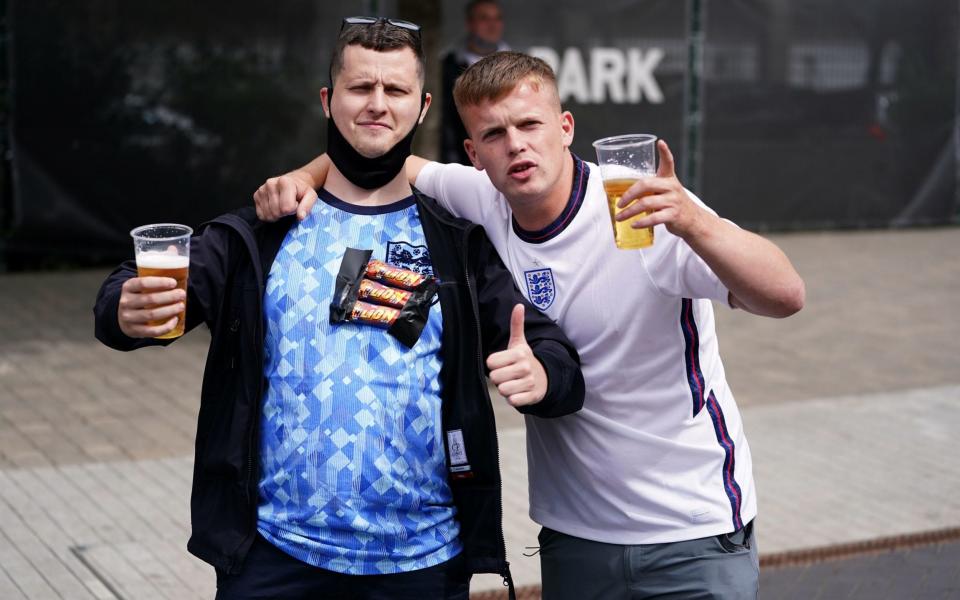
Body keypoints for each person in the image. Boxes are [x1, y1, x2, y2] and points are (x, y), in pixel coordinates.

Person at [255, 51, 806, 599]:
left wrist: (693, 221)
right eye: (493, 134)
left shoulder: (643, 209)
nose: (515, 144)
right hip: (575, 535)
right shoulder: (482, 199)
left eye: (529, 124)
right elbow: (374, 154)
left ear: (565, 128)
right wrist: (300, 177)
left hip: (693, 531)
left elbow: (785, 296)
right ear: (474, 153)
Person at [95, 27, 584, 600]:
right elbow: (135, 292)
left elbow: (554, 355)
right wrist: (125, 309)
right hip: (272, 558)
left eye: (396, 90)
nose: (378, 103)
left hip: (422, 561)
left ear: (421, 107)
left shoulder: (458, 240)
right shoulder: (264, 229)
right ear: (328, 100)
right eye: (360, 87)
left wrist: (543, 374)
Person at [440, 0, 508, 165]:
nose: (492, 25)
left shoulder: (520, 65)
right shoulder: (447, 67)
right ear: (470, 24)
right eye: (484, 18)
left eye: (497, 18)